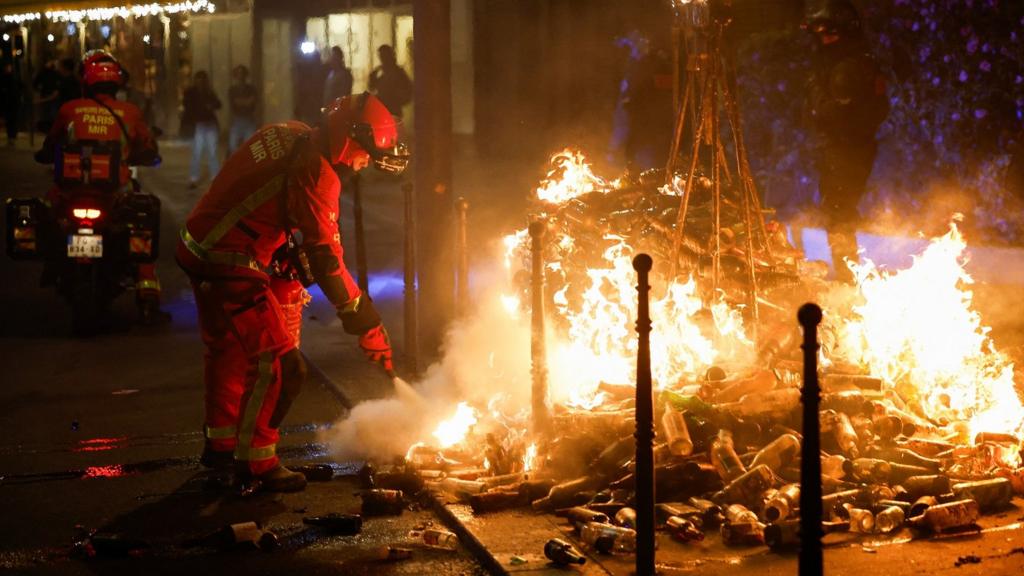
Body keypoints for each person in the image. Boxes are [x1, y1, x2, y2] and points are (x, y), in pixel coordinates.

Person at [176, 92, 410, 492]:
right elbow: (327, 261)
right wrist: (365, 320)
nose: (366, 161)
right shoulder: (319, 174)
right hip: (229, 260)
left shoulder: (288, 132)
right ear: (346, 140)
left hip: (199, 245)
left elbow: (266, 197)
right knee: (282, 366)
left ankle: (222, 444)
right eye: (364, 153)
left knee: (227, 350)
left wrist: (284, 254)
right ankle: (258, 463)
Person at [34, 50, 165, 320]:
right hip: (115, 191)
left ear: (85, 80)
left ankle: (50, 261)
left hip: (70, 190)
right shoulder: (130, 112)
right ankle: (147, 292)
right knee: (142, 224)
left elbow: (51, 143)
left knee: (45, 211)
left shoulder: (69, 109)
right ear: (118, 82)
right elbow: (148, 147)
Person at [803, 0, 889, 283]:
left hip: (848, 148)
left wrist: (816, 93)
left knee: (839, 210)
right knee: (838, 208)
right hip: (852, 146)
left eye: (829, 34)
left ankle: (846, 271)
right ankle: (846, 269)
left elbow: (832, 113)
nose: (824, 40)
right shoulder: (860, 61)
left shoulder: (847, 69)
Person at [182, 70, 221, 188]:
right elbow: (188, 107)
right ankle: (195, 178)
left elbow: (218, 104)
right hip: (199, 124)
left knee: (210, 152)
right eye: (199, 80)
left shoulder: (208, 92)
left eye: (203, 80)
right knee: (198, 152)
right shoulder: (191, 93)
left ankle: (213, 177)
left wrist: (210, 105)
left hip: (208, 123)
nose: (201, 82)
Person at [368, 44, 412, 119]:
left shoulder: (398, 72)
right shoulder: (380, 72)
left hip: (394, 111)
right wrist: (372, 78)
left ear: (390, 55)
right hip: (382, 110)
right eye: (381, 56)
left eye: (384, 56)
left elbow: (408, 91)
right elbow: (372, 88)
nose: (382, 59)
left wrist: (396, 99)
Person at [227, 65, 257, 155]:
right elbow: (234, 103)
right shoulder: (232, 89)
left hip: (249, 120)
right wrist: (246, 101)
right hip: (237, 120)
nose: (241, 76)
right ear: (235, 75)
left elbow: (251, 102)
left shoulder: (251, 89)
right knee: (233, 147)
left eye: (242, 73)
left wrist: (242, 102)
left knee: (251, 147)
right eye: (239, 73)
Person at [33, 60, 61, 133]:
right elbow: (35, 83)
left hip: (53, 96)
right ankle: (46, 129)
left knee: (52, 113)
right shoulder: (43, 73)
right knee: (45, 114)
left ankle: (51, 129)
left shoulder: (55, 74)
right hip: (45, 95)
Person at [1, 61, 23, 145]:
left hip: (14, 102)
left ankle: (13, 135)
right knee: (9, 120)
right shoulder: (4, 78)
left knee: (13, 119)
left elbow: (20, 87)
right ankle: (11, 135)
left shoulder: (14, 77)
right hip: (7, 103)